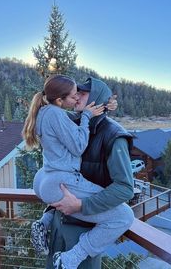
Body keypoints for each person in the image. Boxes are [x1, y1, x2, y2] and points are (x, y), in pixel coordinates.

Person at [46, 76, 135, 269]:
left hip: (83, 232)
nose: (76, 97)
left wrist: (81, 205)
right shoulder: (72, 123)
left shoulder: (113, 136)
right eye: (75, 93)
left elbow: (125, 188)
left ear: (96, 98)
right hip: (59, 224)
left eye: (82, 93)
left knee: (125, 216)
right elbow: (51, 95)